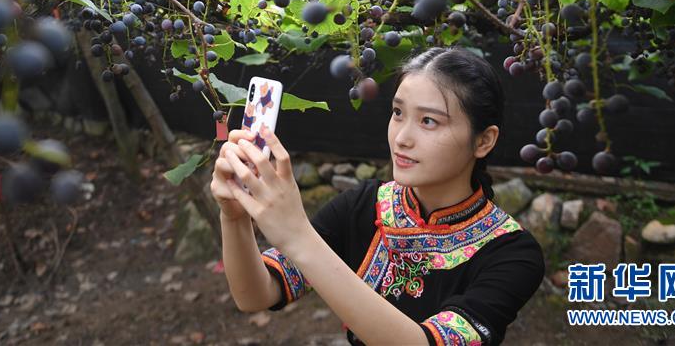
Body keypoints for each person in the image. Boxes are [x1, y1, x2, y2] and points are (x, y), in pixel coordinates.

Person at [210, 46, 545, 345]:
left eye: (428, 121)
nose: (401, 138)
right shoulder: (364, 205)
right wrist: (234, 217)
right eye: (398, 113)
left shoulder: (513, 254)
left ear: (483, 141)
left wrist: (297, 234)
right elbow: (257, 295)